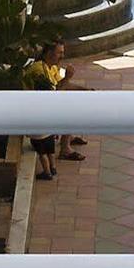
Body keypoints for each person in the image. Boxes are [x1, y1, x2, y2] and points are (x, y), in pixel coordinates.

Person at [23, 38, 84, 178]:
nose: (62, 56)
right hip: (36, 109)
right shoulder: (39, 70)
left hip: (46, 105)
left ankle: (67, 137)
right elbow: (52, 96)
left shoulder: (52, 66)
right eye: (59, 53)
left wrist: (85, 89)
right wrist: (68, 78)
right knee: (71, 112)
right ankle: (65, 149)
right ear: (48, 53)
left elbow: (60, 85)